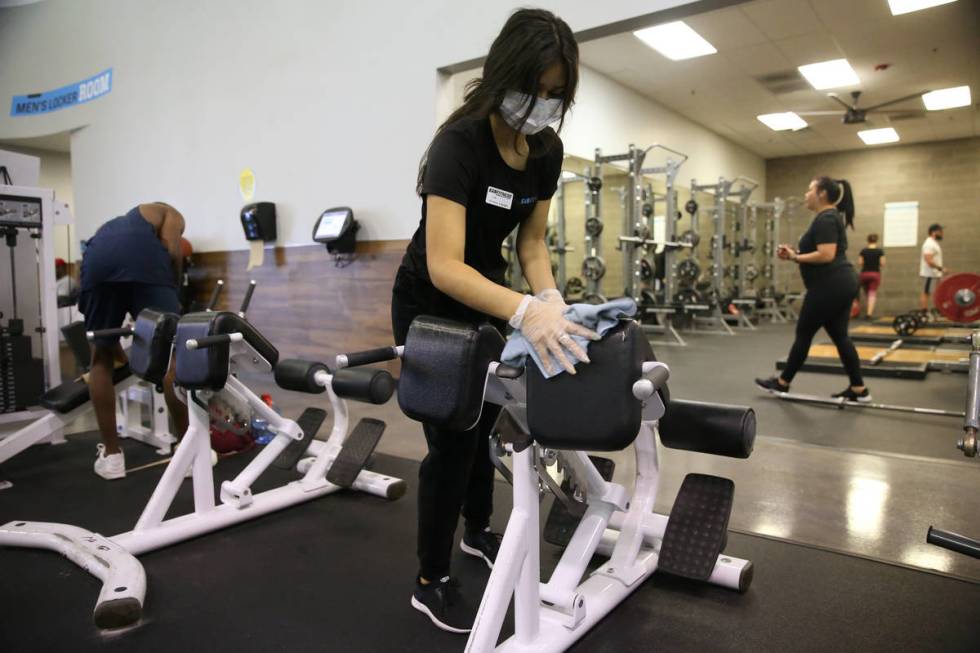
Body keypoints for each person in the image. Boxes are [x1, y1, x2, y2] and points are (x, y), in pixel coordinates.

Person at [391, 9, 596, 633]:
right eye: (534, 88)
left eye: (556, 94)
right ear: (504, 72)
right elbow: (447, 265)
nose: (542, 104)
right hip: (430, 302)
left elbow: (532, 245)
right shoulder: (459, 146)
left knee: (486, 424)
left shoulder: (546, 151)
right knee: (451, 441)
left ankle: (477, 531)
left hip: (489, 298)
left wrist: (551, 299)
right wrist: (524, 309)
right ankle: (429, 579)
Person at [78, 202, 189, 480]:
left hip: (96, 263)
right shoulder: (170, 213)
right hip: (145, 265)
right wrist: (173, 291)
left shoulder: (111, 229)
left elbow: (102, 275)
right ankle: (187, 453)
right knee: (171, 356)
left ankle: (113, 458)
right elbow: (172, 248)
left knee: (100, 358)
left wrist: (119, 353)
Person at [756, 177, 870, 402]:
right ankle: (859, 389)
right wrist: (794, 254)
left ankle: (782, 383)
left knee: (804, 334)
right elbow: (823, 253)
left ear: (822, 194)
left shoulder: (826, 218)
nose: (806, 194)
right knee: (840, 336)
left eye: (810, 190)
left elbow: (826, 254)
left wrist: (795, 256)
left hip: (829, 285)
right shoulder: (828, 217)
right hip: (840, 284)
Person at [857, 233, 885, 319]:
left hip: (864, 274)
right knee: (872, 294)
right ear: (876, 240)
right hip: (875, 274)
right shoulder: (880, 251)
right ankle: (869, 314)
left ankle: (866, 310)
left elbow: (860, 263)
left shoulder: (863, 251)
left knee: (867, 293)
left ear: (868, 240)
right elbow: (882, 263)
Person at [919, 223, 944, 311]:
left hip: (935, 274)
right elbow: (928, 260)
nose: (942, 233)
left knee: (935, 293)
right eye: (940, 232)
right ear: (934, 232)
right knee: (926, 293)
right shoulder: (929, 244)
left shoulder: (933, 243)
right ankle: (924, 312)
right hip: (929, 274)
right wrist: (941, 268)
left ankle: (937, 310)